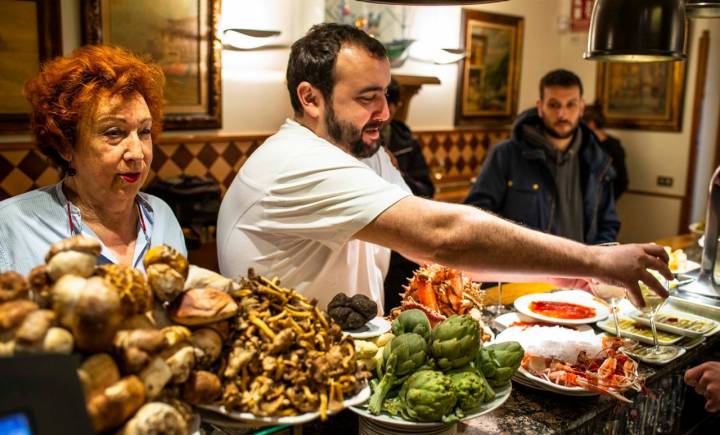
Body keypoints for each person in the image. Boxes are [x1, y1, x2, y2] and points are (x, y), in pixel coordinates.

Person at [217, 23, 670, 315]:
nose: (385, 112)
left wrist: (552, 272)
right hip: (283, 398)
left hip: (345, 374)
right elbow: (441, 234)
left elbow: (428, 250)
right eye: (365, 97)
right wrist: (595, 258)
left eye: (386, 94)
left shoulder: (361, 153)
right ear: (310, 98)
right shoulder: (297, 163)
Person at [0, 45, 186, 275]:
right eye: (113, 133)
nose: (137, 153)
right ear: (65, 145)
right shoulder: (10, 226)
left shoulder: (161, 217)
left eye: (144, 131)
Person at [464, 69, 619, 245]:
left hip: (580, 269)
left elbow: (608, 224)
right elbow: (475, 215)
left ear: (582, 107)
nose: (562, 114)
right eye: (553, 105)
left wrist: (597, 263)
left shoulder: (597, 160)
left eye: (571, 105)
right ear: (540, 107)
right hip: (520, 268)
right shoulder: (505, 154)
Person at [382, 78, 435, 311]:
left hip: (400, 244)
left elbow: (427, 190)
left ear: (396, 106)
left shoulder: (407, 142)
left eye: (388, 103)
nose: (382, 110)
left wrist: (397, 173)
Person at [583, 103, 629, 200]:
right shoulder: (583, 142)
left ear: (591, 124)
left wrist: (605, 203)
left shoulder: (614, 147)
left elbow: (622, 182)